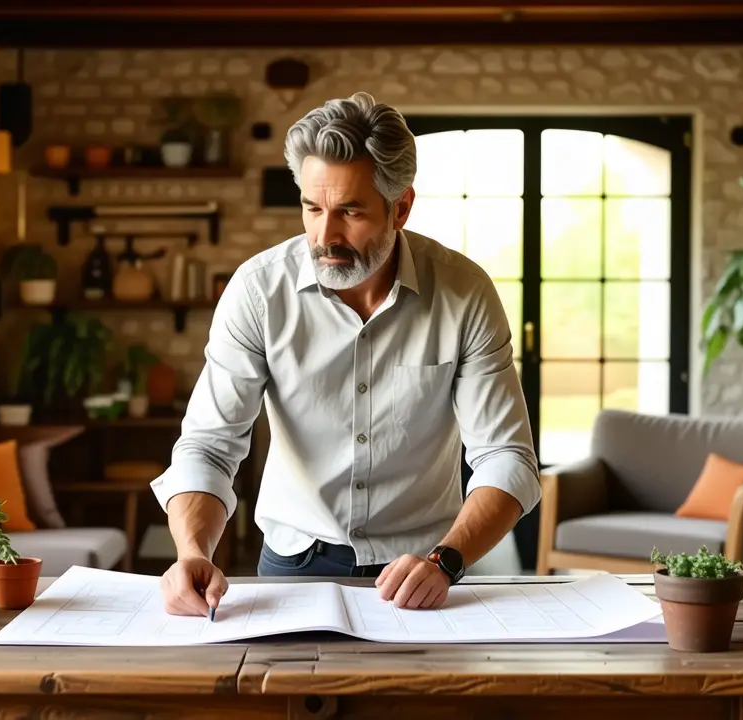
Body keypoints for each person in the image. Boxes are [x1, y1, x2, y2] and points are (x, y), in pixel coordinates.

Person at [150, 91, 540, 616]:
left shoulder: (465, 293)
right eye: (312, 208)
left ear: (401, 206)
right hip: (293, 565)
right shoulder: (258, 291)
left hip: (427, 569)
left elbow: (505, 458)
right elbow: (210, 447)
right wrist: (192, 551)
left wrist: (447, 560)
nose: (324, 236)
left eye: (350, 211)